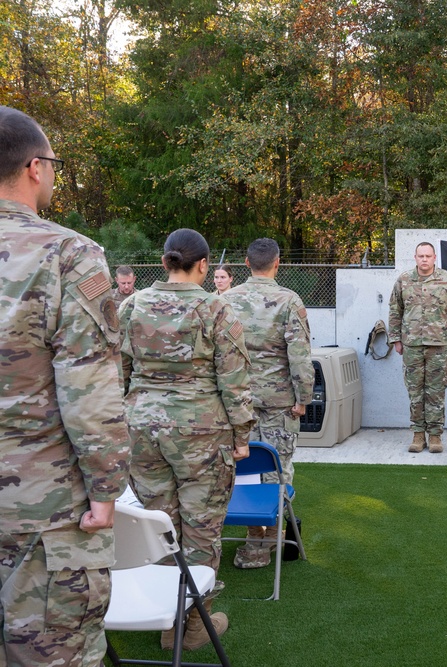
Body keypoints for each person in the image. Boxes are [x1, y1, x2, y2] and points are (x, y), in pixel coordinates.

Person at [0, 105, 131, 666]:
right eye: (52, 164)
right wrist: (106, 491)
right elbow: (88, 390)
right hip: (42, 508)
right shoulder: (68, 254)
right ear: (35, 167)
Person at [119, 228, 254, 651]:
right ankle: (192, 626)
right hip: (201, 433)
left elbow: (116, 371)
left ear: (163, 263)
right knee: (201, 528)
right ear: (204, 265)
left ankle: (166, 617)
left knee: (161, 524)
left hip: (142, 430)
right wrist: (242, 436)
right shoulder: (216, 307)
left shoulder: (131, 305)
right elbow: (234, 380)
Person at [224, 238, 314, 569]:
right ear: (277, 263)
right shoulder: (289, 301)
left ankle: (254, 541)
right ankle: (268, 541)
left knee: (241, 469)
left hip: (237, 402)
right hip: (279, 402)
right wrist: (303, 397)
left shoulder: (225, 300)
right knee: (277, 469)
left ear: (246, 263)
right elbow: (300, 355)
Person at [388, 241, 447, 453]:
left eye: (428, 256)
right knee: (415, 391)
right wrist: (395, 339)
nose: (424, 259)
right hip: (411, 344)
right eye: (420, 256)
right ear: (415, 258)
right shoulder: (404, 280)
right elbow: (395, 310)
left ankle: (435, 436)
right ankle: (417, 435)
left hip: (439, 345)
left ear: (434, 258)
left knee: (436, 392)